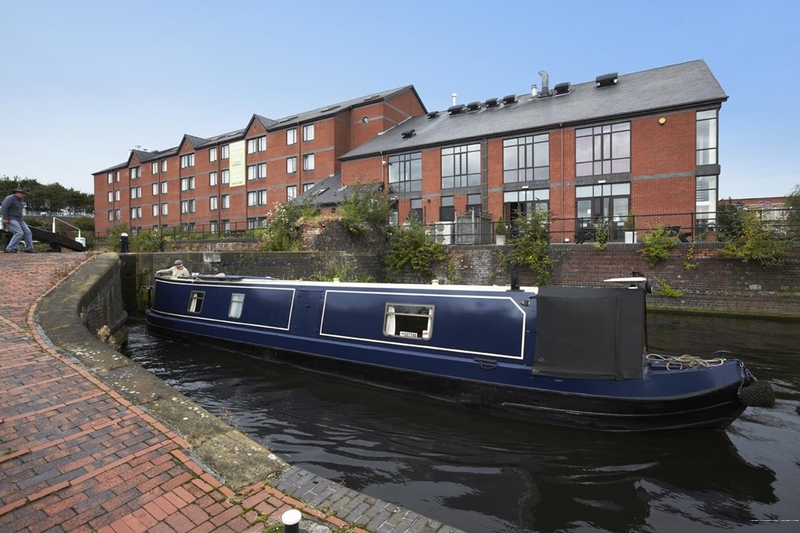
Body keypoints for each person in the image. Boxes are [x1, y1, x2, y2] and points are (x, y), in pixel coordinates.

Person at [1, 188, 35, 253]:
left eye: (24, 194)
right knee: (19, 233)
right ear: (17, 193)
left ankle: (29, 248)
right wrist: (5, 218)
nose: (24, 195)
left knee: (28, 232)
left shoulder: (21, 200)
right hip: (11, 218)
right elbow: (4, 208)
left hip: (19, 219)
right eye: (22, 193)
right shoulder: (10, 198)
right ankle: (10, 248)